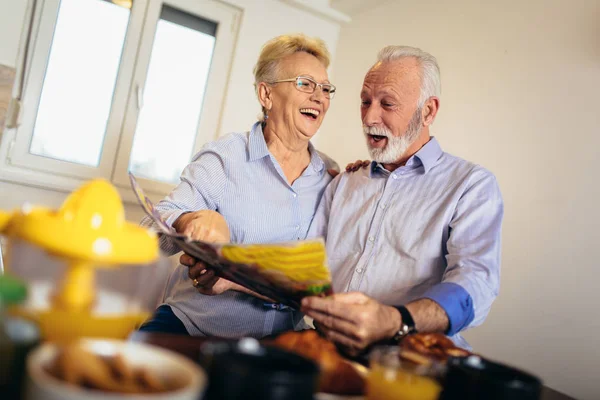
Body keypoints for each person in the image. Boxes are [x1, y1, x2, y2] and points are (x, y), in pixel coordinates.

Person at [301, 45, 504, 353]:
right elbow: (309, 267)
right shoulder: (344, 182)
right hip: (327, 351)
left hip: (410, 362)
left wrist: (396, 320)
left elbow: (476, 282)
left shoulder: (471, 186)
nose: (370, 117)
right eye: (365, 101)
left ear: (429, 111)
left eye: (388, 103)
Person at [139, 33, 338, 338]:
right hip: (197, 326)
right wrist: (189, 220)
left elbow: (321, 280)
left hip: (282, 340)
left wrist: (231, 278)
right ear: (266, 95)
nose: (319, 97)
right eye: (305, 83)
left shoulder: (331, 178)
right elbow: (150, 234)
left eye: (325, 88)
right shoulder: (226, 157)